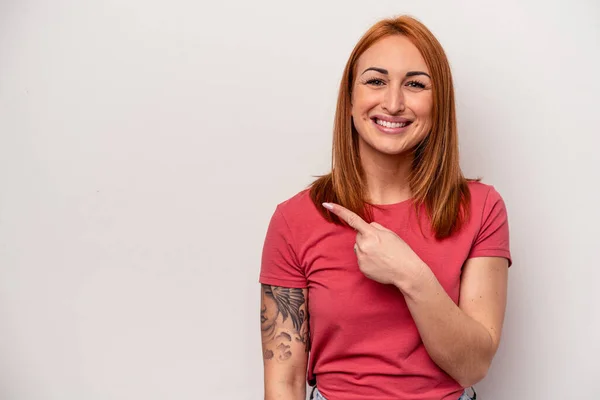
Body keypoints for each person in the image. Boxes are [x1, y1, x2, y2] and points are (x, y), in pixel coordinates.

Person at [259, 14, 511, 400]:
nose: (393, 103)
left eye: (415, 84)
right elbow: (284, 382)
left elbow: (472, 366)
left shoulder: (481, 208)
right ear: (350, 99)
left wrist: (409, 273)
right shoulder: (294, 220)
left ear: (438, 102)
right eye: (376, 81)